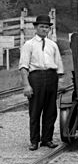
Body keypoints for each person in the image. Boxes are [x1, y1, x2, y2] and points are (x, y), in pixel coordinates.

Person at [19, 15, 65, 151]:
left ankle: (47, 139)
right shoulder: (29, 45)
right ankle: (34, 141)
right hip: (36, 77)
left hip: (51, 77)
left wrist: (60, 82)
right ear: (36, 27)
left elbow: (59, 65)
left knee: (51, 111)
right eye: (42, 27)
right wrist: (26, 85)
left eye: (47, 27)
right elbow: (23, 67)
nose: (45, 29)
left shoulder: (53, 45)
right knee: (35, 110)